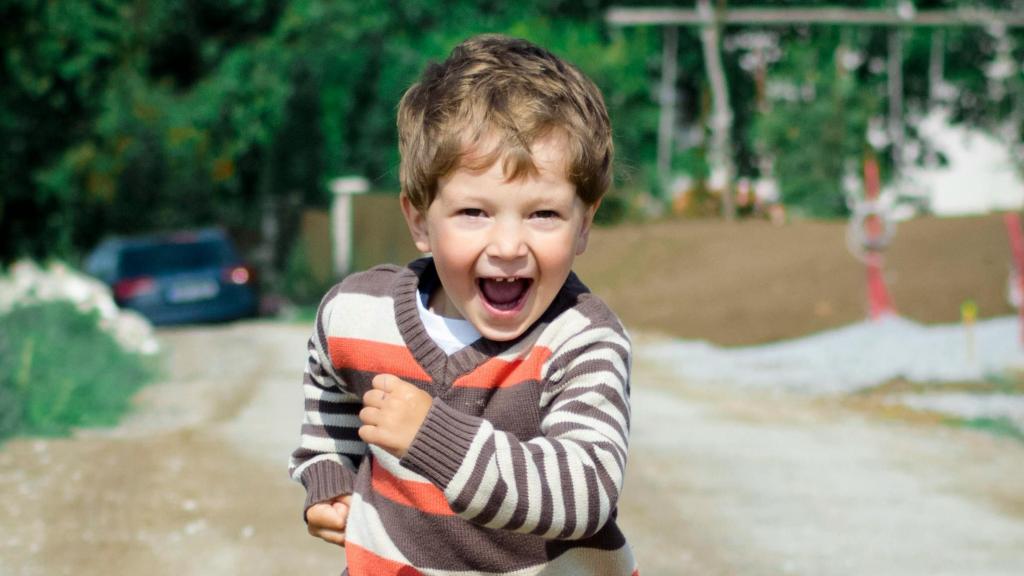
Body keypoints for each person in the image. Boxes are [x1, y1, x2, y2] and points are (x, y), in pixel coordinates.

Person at [289, 34, 637, 576]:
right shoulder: (357, 313)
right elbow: (329, 382)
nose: (508, 246)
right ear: (419, 221)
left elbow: (585, 492)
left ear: (584, 224)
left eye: (543, 214)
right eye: (474, 212)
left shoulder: (581, 340)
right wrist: (330, 472)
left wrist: (432, 438)